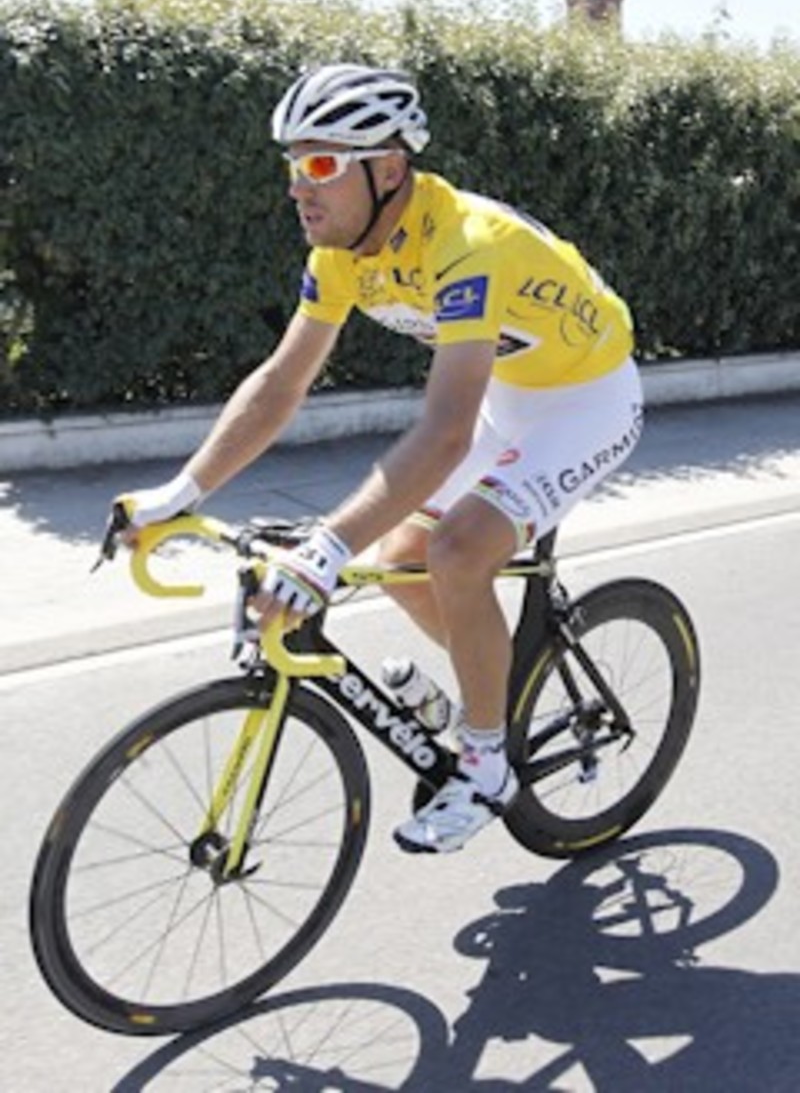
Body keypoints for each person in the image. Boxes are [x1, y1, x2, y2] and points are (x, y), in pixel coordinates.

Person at [114, 62, 643, 854]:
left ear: (389, 169)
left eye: (322, 164)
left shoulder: (468, 245)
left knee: (458, 550)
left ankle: (488, 766)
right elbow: (281, 383)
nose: (300, 186)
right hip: (514, 395)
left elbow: (446, 431)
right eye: (294, 165)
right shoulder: (340, 251)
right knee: (401, 562)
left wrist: (327, 548)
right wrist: (179, 492)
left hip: (588, 400)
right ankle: (490, 704)